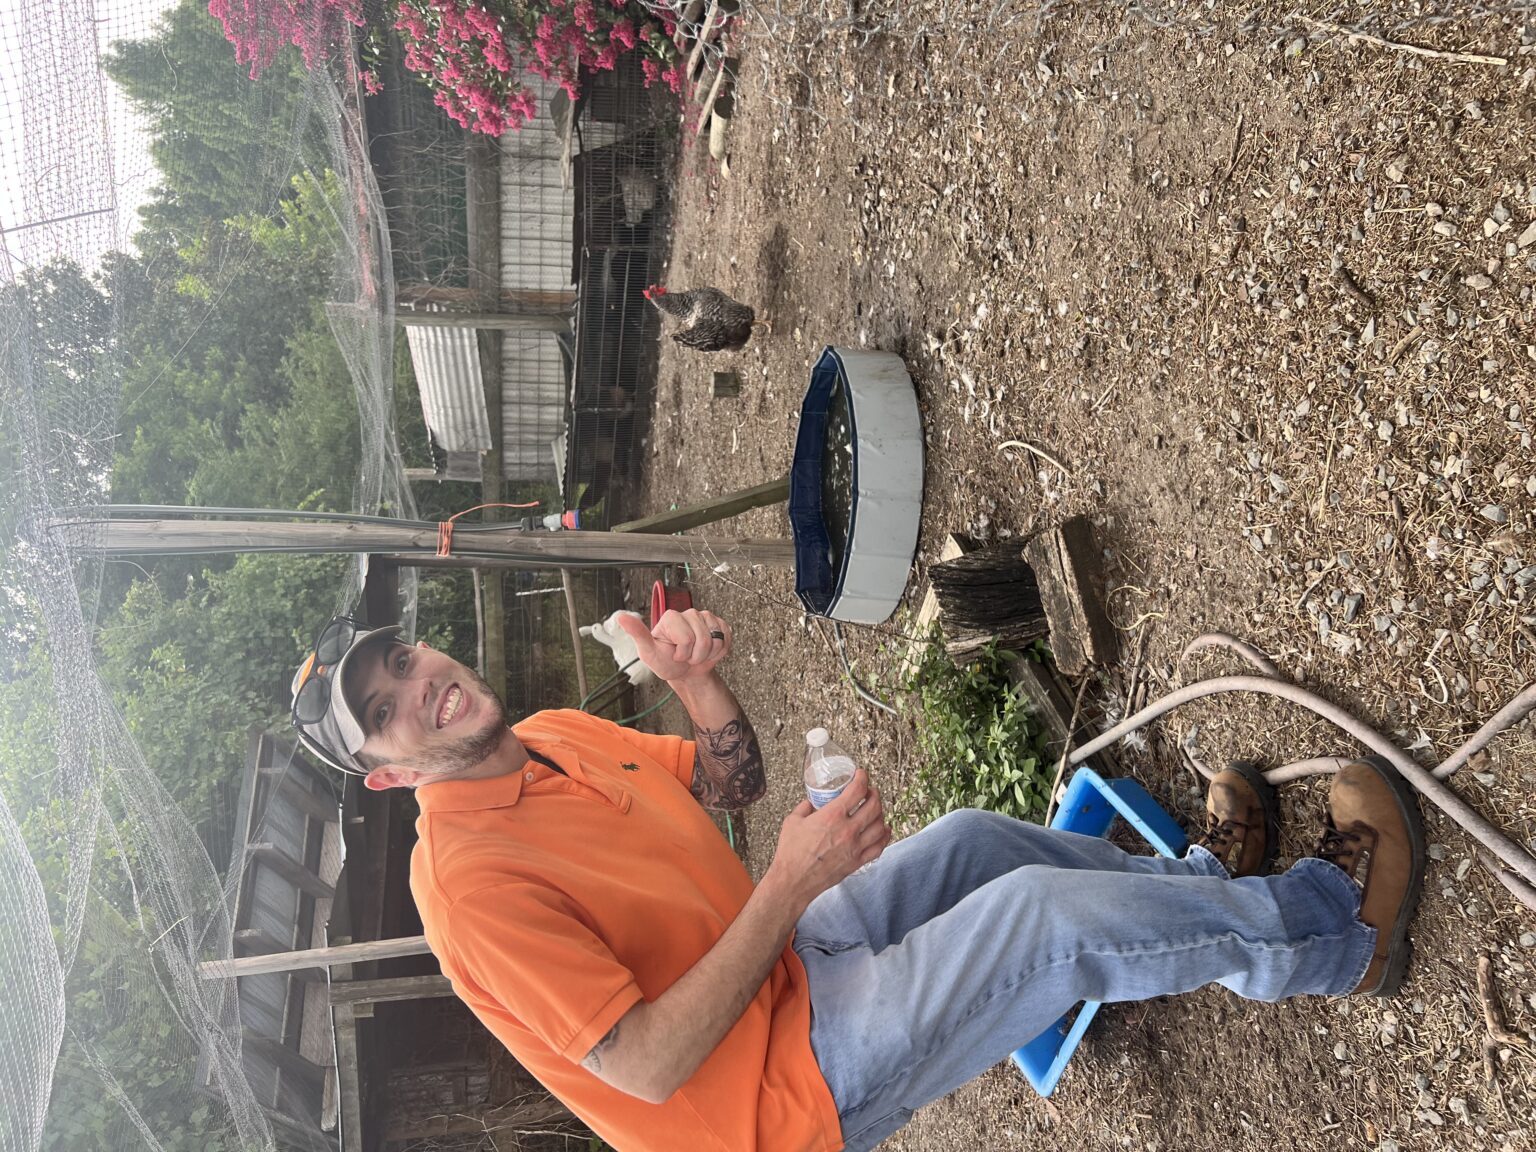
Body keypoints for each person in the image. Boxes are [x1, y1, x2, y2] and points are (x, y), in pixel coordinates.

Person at [290, 607, 1425, 1152]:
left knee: (978, 842)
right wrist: (787, 885)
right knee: (1038, 923)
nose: (418, 687)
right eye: (385, 713)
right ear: (388, 777)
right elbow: (643, 1065)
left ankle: (1198, 886)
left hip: (788, 970)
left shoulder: (546, 736)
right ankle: (1333, 937)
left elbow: (727, 781)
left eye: (401, 659)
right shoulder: (468, 888)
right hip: (772, 1096)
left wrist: (698, 685)